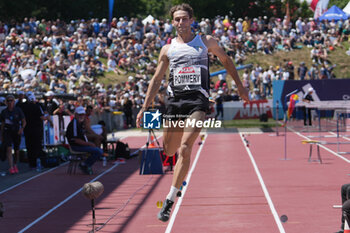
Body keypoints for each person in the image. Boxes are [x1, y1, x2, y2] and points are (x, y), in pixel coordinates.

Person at [136, 3, 249, 222]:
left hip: (198, 101)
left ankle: (169, 199)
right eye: (177, 19)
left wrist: (240, 86)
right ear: (173, 22)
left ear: (191, 20)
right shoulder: (168, 49)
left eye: (184, 19)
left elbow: (226, 61)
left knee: (186, 147)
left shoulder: (206, 42)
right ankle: (177, 170)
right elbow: (157, 78)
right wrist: (144, 106)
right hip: (175, 103)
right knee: (169, 151)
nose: (181, 23)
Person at [66, 106, 103, 175]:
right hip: (76, 146)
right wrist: (89, 144)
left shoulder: (80, 123)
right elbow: (76, 140)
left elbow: (86, 133)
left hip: (81, 144)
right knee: (98, 151)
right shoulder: (74, 124)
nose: (81, 116)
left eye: (83, 114)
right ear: (76, 114)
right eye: (80, 114)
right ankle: (84, 164)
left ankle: (86, 164)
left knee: (98, 147)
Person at [0, 95, 26, 174]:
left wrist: (21, 129)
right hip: (7, 132)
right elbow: (2, 124)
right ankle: (11, 167)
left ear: (14, 102)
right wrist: (1, 135)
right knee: (8, 149)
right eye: (8, 101)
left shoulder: (18, 110)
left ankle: (15, 164)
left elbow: (24, 121)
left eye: (11, 100)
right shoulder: (4, 112)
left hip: (16, 132)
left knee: (17, 151)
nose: (10, 102)